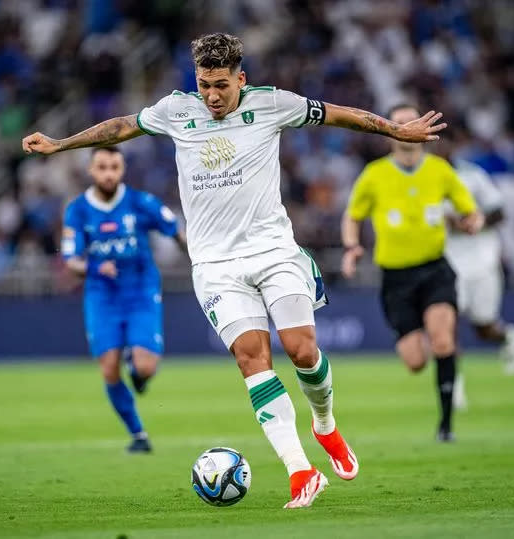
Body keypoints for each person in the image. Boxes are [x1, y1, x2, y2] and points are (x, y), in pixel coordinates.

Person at [24, 33, 446, 508]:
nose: (212, 96)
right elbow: (121, 127)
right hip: (216, 266)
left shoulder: (273, 104)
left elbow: (339, 114)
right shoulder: (175, 111)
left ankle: (325, 425)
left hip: (274, 252)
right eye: (204, 85)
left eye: (221, 85)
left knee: (302, 351)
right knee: (252, 358)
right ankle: (300, 471)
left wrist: (394, 130)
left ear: (240, 79)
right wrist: (60, 144)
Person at [341, 103, 483, 443]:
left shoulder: (440, 170)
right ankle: (425, 341)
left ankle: (446, 426)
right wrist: (352, 247)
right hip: (396, 278)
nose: (408, 126)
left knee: (443, 341)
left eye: (412, 120)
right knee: (416, 361)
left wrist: (473, 221)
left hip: (435, 269)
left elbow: (470, 210)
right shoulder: (374, 174)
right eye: (401, 122)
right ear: (390, 129)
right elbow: (353, 216)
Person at [61, 146, 187, 453]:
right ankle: (139, 435)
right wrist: (93, 267)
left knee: (145, 368)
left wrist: (205, 261)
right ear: (91, 171)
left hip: (141, 291)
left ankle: (138, 369)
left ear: (122, 170)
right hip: (102, 296)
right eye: (102, 167)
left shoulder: (140, 202)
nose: (108, 173)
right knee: (108, 369)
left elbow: (177, 233)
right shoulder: (77, 210)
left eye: (114, 167)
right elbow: (70, 260)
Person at [443, 157, 514, 383]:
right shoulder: (422, 177)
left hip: (482, 260)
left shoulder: (473, 175)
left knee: (484, 327)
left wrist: (474, 221)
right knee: (446, 323)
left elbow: (499, 212)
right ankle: (452, 382)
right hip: (447, 262)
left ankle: (507, 336)